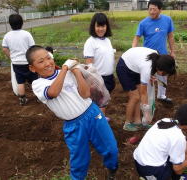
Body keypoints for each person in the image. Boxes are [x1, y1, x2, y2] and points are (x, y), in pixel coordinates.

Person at [26, 45, 118, 180]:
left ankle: (112, 169)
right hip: (73, 125)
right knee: (79, 160)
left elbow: (86, 94)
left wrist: (75, 71)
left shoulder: (68, 73)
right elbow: (53, 92)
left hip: (92, 114)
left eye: (48, 58)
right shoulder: (38, 84)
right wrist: (64, 68)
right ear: (32, 68)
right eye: (41, 61)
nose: (47, 63)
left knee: (111, 148)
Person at [134, 104, 187, 179]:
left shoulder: (164, 121)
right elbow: (177, 169)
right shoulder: (178, 137)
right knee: (178, 169)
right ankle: (177, 178)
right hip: (151, 170)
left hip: (138, 161)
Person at [116, 47, 176, 131]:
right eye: (165, 73)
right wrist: (146, 113)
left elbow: (147, 68)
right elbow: (144, 93)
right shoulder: (147, 68)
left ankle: (138, 122)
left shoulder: (158, 58)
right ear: (159, 68)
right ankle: (127, 123)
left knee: (139, 96)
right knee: (135, 97)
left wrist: (150, 75)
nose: (165, 75)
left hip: (135, 67)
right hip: (124, 67)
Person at [132, 0, 175, 104]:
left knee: (163, 76)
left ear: (160, 9)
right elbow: (136, 38)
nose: (151, 12)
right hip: (149, 56)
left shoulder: (167, 20)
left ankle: (161, 96)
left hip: (163, 54)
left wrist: (173, 51)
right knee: (149, 77)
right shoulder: (143, 23)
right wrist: (133, 50)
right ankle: (149, 99)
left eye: (154, 9)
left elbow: (170, 36)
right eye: (150, 9)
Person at [83, 12, 115, 117]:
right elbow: (89, 65)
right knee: (100, 103)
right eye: (98, 26)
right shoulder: (91, 42)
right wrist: (93, 82)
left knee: (104, 103)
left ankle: (101, 119)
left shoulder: (107, 40)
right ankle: (100, 124)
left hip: (109, 77)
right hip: (98, 78)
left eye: (103, 26)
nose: (101, 29)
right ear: (93, 26)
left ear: (107, 26)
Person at [2, 14, 38, 105]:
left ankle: (22, 99)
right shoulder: (26, 34)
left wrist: (11, 56)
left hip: (16, 63)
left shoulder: (7, 35)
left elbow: (4, 48)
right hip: (28, 61)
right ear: (22, 23)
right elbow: (32, 47)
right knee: (34, 79)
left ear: (10, 24)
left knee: (20, 81)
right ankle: (38, 97)